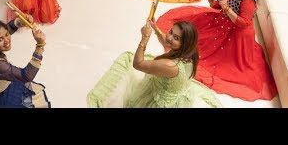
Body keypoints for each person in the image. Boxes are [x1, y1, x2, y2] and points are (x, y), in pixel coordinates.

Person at [155, 0, 278, 101]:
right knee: (197, 32)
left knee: (209, 55)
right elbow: (218, 7)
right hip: (223, 21)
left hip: (237, 34)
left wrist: (226, 9)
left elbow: (244, 23)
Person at [87, 20, 221, 108]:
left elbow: (138, 64)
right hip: (176, 93)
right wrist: (156, 29)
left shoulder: (169, 66)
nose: (169, 37)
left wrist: (144, 38)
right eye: (171, 32)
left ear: (184, 43)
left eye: (176, 38)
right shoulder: (190, 52)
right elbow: (167, 43)